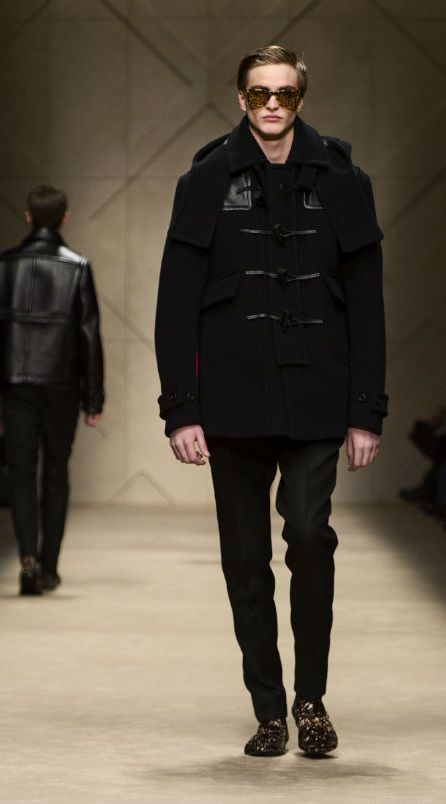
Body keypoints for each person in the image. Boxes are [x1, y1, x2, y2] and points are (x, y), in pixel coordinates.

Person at [155, 45, 387, 757]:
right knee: (245, 557)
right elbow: (175, 303)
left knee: (310, 536)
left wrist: (366, 410)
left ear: (302, 98)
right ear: (241, 99)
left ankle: (311, 700)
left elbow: (368, 304)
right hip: (232, 397)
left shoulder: (343, 179)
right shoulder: (205, 179)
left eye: (285, 93)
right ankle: (269, 711)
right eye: (260, 94)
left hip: (318, 393)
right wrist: (180, 408)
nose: (273, 105)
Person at [0, 185, 104, 595]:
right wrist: (94, 397)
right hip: (62, 386)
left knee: (21, 472)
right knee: (56, 474)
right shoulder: (77, 267)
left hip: (15, 384)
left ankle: (27, 558)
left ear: (28, 217)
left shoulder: (3, 265)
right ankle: (48, 567)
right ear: (64, 218)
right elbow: (89, 336)